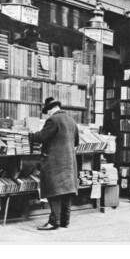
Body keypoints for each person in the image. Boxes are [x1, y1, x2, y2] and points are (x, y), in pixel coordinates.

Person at [32, 97, 79, 230]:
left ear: (51, 109)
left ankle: (54, 222)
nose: (47, 114)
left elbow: (42, 137)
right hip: (69, 163)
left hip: (55, 162)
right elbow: (76, 142)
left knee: (54, 191)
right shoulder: (72, 121)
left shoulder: (53, 120)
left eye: (47, 112)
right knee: (66, 192)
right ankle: (65, 221)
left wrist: (31, 135)